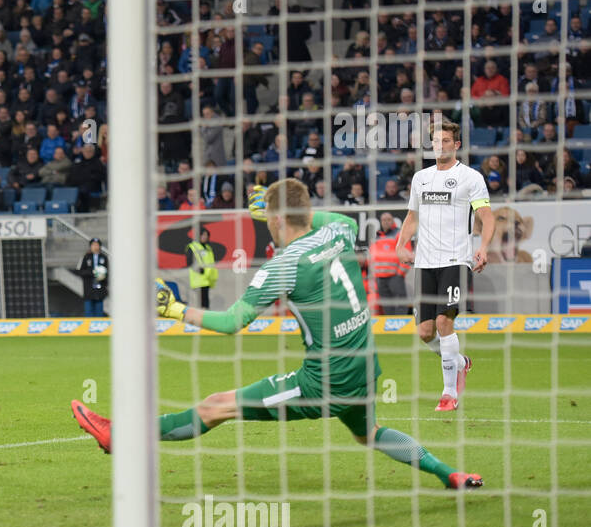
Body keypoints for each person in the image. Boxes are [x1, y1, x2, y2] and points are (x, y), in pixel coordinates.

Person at [71, 178, 482, 490]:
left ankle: (119, 435)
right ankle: (451, 475)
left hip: (325, 380)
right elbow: (311, 217)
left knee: (216, 406)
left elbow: (232, 322)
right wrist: (276, 205)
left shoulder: (281, 266)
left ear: (278, 220)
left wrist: (173, 309)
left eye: (269, 221)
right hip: (365, 370)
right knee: (370, 434)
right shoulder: (340, 228)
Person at [395, 121, 495, 411]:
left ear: (456, 145)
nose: (440, 145)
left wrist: (484, 247)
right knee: (426, 332)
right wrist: (401, 244)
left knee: (443, 322)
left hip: (456, 260)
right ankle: (460, 362)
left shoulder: (470, 177)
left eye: (446, 140)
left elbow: (487, 217)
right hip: (425, 263)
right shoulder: (421, 178)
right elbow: (412, 217)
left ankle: (449, 394)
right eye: (436, 140)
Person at [369, 213, 409, 314]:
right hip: (380, 278)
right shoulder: (377, 237)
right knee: (387, 305)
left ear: (393, 221)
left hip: (395, 276)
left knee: (401, 302)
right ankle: (390, 328)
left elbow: (406, 253)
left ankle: (401, 327)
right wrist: (375, 274)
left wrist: (400, 273)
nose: (386, 222)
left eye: (388, 219)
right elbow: (371, 257)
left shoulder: (399, 234)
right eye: (383, 220)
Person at [185, 225, 218, 309]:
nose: (205, 237)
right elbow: (190, 261)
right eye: (203, 235)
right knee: (199, 302)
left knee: (206, 301)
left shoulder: (208, 248)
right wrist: (200, 270)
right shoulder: (193, 246)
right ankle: (199, 318)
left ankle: (205, 317)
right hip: (198, 278)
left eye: (206, 235)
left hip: (207, 279)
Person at [78, 238, 108, 316]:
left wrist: (102, 276)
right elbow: (81, 271)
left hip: (99, 290)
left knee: (99, 314)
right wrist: (93, 272)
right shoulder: (86, 257)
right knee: (88, 314)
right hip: (88, 290)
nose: (95, 247)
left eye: (97, 245)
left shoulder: (104, 258)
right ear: (90, 246)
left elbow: (107, 272)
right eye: (93, 245)